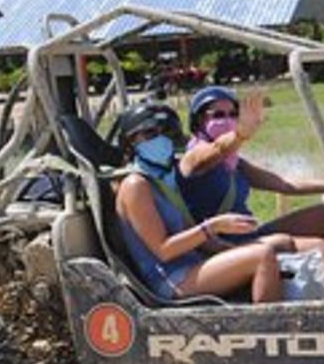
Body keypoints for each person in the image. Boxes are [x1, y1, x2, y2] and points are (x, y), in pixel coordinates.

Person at [113, 102, 285, 303]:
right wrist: (213, 226)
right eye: (150, 133)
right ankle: (269, 327)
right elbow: (164, 251)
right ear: (130, 143)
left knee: (279, 244)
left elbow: (198, 238)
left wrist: (231, 250)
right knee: (261, 256)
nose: (160, 139)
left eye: (167, 131)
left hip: (191, 264)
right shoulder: (135, 185)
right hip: (170, 279)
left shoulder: (163, 181)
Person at [179, 85, 324, 252]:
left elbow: (284, 184)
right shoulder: (192, 159)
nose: (227, 120)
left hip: (251, 235)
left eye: (234, 114)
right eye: (218, 115)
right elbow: (218, 149)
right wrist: (239, 135)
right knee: (319, 248)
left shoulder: (236, 163)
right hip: (223, 247)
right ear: (199, 121)